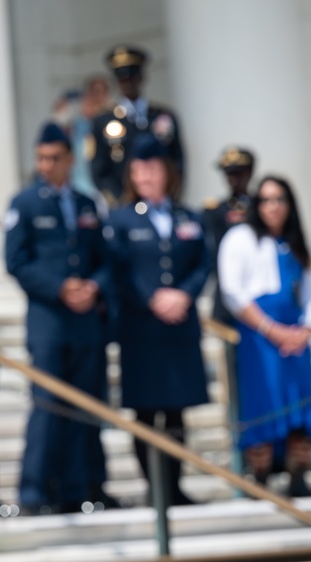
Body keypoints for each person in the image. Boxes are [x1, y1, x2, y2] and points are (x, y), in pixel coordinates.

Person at [5, 122, 115, 515]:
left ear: (69, 159)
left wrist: (93, 287)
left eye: (54, 158)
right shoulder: (24, 203)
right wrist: (60, 288)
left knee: (86, 407)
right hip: (49, 323)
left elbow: (105, 259)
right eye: (41, 158)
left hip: (86, 324)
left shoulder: (87, 204)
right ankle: (34, 491)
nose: (46, 165)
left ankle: (81, 488)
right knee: (48, 406)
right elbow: (16, 261)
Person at [107, 133, 210, 506]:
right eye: (138, 170)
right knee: (146, 411)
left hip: (179, 327)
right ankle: (155, 487)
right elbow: (118, 270)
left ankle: (176, 485)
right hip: (142, 329)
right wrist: (151, 299)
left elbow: (202, 263)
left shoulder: (188, 217)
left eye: (152, 169)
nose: (145, 177)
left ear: (167, 172)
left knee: (178, 409)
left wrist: (184, 294)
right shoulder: (119, 220)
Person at [219, 176, 311, 497]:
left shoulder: (293, 243)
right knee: (262, 404)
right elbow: (233, 292)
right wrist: (270, 329)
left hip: (294, 337)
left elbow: (310, 293)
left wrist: (305, 329)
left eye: (279, 200)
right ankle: (260, 476)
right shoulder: (240, 238)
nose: (273, 207)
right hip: (260, 337)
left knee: (299, 405)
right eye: (266, 200)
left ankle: (298, 475)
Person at [90, 46, 184, 210]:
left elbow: (177, 162)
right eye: (122, 78)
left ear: (141, 77)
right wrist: (121, 201)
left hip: (161, 202)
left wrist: (168, 195)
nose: (128, 83)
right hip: (124, 205)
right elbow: (99, 170)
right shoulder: (103, 121)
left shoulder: (162, 117)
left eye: (132, 77)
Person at [203, 146, 256, 324]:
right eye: (229, 174)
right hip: (227, 292)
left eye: (238, 173)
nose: (233, 179)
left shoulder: (262, 208)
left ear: (249, 173)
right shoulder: (214, 211)